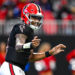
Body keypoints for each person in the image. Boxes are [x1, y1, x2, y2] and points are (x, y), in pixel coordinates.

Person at [0, 3, 66, 75]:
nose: (37, 21)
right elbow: (18, 47)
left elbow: (31, 57)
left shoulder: (29, 32)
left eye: (38, 18)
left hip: (17, 69)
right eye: (34, 17)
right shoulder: (22, 27)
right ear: (26, 15)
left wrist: (50, 52)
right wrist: (30, 45)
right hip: (12, 67)